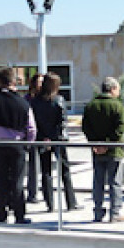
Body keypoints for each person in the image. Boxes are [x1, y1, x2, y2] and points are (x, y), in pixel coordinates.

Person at [0, 67, 36, 224]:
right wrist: (28, 143)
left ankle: (1, 213)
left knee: (1, 180)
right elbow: (31, 127)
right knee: (17, 181)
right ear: (14, 82)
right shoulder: (23, 103)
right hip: (18, 145)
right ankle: (19, 214)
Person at [30, 72, 80, 212]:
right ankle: (71, 202)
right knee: (64, 170)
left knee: (46, 172)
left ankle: (50, 204)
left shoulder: (35, 101)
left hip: (42, 139)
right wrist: (53, 138)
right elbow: (62, 122)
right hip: (57, 140)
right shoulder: (58, 100)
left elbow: (35, 123)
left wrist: (44, 137)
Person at [81, 77, 124, 223]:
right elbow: (120, 129)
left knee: (98, 181)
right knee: (115, 182)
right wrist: (107, 144)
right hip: (114, 151)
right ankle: (115, 213)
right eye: (118, 90)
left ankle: (97, 212)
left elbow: (85, 127)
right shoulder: (117, 106)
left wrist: (96, 144)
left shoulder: (90, 106)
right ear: (113, 89)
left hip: (96, 150)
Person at [24, 73, 45, 203]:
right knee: (34, 165)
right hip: (32, 135)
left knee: (44, 166)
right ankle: (32, 193)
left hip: (43, 135)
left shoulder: (45, 98)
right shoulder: (28, 99)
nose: (41, 84)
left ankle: (45, 192)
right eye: (39, 82)